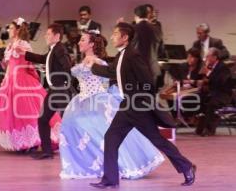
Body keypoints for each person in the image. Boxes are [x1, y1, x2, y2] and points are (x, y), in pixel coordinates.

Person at [88, 23, 196, 188]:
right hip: (127, 106)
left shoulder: (133, 55)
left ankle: (186, 166)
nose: (112, 36)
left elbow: (147, 82)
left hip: (137, 107)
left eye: (115, 33)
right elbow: (112, 73)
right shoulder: (122, 55)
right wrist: (94, 67)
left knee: (157, 140)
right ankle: (110, 180)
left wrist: (139, 102)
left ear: (125, 38)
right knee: (111, 138)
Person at [59, 30, 164, 179]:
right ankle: (86, 165)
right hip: (82, 100)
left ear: (91, 44)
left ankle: (117, 166)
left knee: (103, 135)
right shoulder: (84, 61)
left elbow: (106, 80)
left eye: (83, 40)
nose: (79, 42)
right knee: (71, 127)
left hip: (97, 101)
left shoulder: (98, 62)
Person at [0, 18, 61, 151]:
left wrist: (33, 75)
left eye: (11, 28)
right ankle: (20, 142)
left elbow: (29, 63)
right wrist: (5, 78)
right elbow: (9, 65)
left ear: (17, 30)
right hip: (11, 80)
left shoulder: (23, 44)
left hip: (22, 80)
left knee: (27, 111)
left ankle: (33, 140)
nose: (9, 31)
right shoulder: (11, 45)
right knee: (12, 112)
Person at [25, 23, 73, 159]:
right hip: (54, 90)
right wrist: (25, 54)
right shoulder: (53, 49)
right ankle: (47, 151)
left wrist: (64, 83)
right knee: (42, 119)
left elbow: (67, 67)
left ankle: (72, 151)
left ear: (57, 36)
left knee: (67, 121)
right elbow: (43, 59)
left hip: (60, 90)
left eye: (48, 34)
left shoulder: (60, 49)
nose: (45, 36)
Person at [195, 47, 233, 136]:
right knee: (200, 100)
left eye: (208, 56)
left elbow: (220, 81)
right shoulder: (210, 66)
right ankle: (200, 127)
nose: (206, 58)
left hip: (223, 95)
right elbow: (205, 80)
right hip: (212, 93)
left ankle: (209, 129)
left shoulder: (223, 67)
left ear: (215, 57)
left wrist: (208, 73)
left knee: (212, 104)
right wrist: (202, 75)